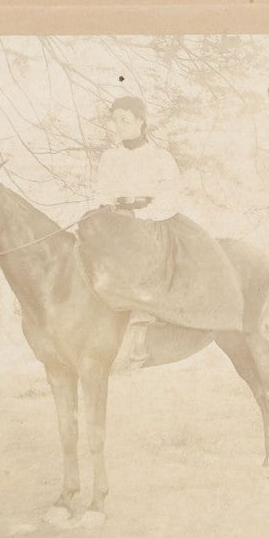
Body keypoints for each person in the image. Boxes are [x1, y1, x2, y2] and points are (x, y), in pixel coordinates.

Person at [79, 96, 245, 368]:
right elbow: (104, 191)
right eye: (116, 120)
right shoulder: (110, 158)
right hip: (117, 220)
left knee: (140, 250)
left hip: (151, 219)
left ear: (140, 121)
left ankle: (141, 317)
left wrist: (140, 214)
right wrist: (109, 211)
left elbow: (170, 196)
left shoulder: (159, 157)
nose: (119, 125)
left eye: (125, 119)